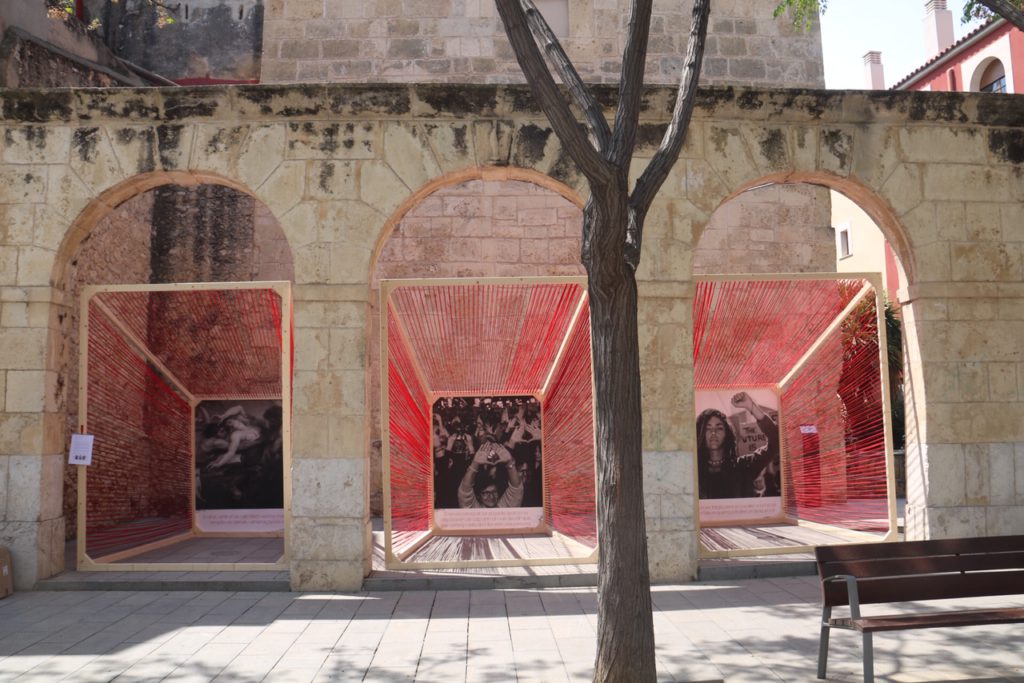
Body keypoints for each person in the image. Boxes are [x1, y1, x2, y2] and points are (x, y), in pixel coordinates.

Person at [696, 391, 779, 499]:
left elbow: (776, 441)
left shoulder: (745, 466)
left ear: (727, 434)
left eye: (719, 428)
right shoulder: (693, 470)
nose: (713, 432)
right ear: (700, 433)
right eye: (708, 428)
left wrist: (751, 406)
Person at [458, 411, 523, 508]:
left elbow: (516, 490)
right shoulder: (474, 507)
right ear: (478, 495)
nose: (491, 496)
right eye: (485, 493)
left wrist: (510, 462)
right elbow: (465, 492)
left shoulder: (502, 471)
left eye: (494, 492)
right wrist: (475, 462)